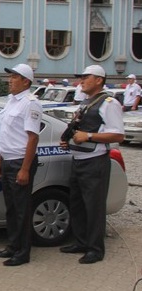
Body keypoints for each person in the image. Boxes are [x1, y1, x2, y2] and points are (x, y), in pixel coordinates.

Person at [59, 65, 124, 265]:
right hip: (79, 159)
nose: (81, 81)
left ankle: (95, 249)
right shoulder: (88, 102)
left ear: (98, 80)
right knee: (77, 204)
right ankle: (81, 241)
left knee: (94, 207)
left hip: (94, 161)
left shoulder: (108, 103)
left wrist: (87, 136)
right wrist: (68, 140)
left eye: (86, 77)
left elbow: (118, 134)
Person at [0, 63, 42, 267]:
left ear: (26, 81)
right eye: (10, 76)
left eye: (14, 77)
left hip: (21, 161)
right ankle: (12, 246)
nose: (10, 80)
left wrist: (25, 169)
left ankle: (22, 252)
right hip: (8, 160)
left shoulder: (30, 103)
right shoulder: (11, 101)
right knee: (11, 208)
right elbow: (6, 135)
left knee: (22, 209)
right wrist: (0, 159)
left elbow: (32, 138)